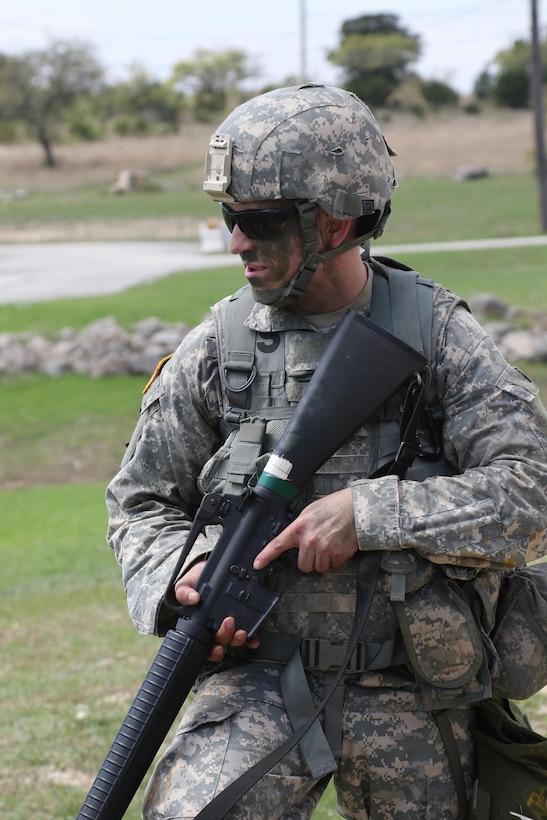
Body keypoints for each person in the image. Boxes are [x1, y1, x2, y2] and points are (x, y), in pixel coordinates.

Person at [106, 83, 547, 819]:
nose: (236, 242)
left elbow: (529, 492)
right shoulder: (219, 346)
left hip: (411, 685)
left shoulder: (435, 336)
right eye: (228, 217)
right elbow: (141, 500)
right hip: (257, 678)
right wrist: (176, 573)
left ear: (336, 221)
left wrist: (369, 514)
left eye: (260, 221)